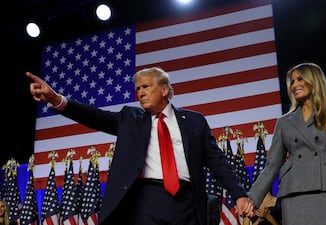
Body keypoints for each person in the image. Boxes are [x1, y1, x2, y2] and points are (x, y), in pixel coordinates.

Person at [26, 67, 254, 225]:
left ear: (164, 90)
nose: (140, 93)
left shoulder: (194, 121)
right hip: (146, 200)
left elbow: (217, 162)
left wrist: (239, 195)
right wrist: (57, 99)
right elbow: (94, 116)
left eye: (146, 87)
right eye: (138, 89)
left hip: (188, 203)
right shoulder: (130, 117)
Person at [247, 62, 326, 225]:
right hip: (294, 194)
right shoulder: (284, 122)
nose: (295, 85)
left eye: (300, 79)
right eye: (292, 81)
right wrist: (251, 199)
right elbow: (271, 166)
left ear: (314, 80)